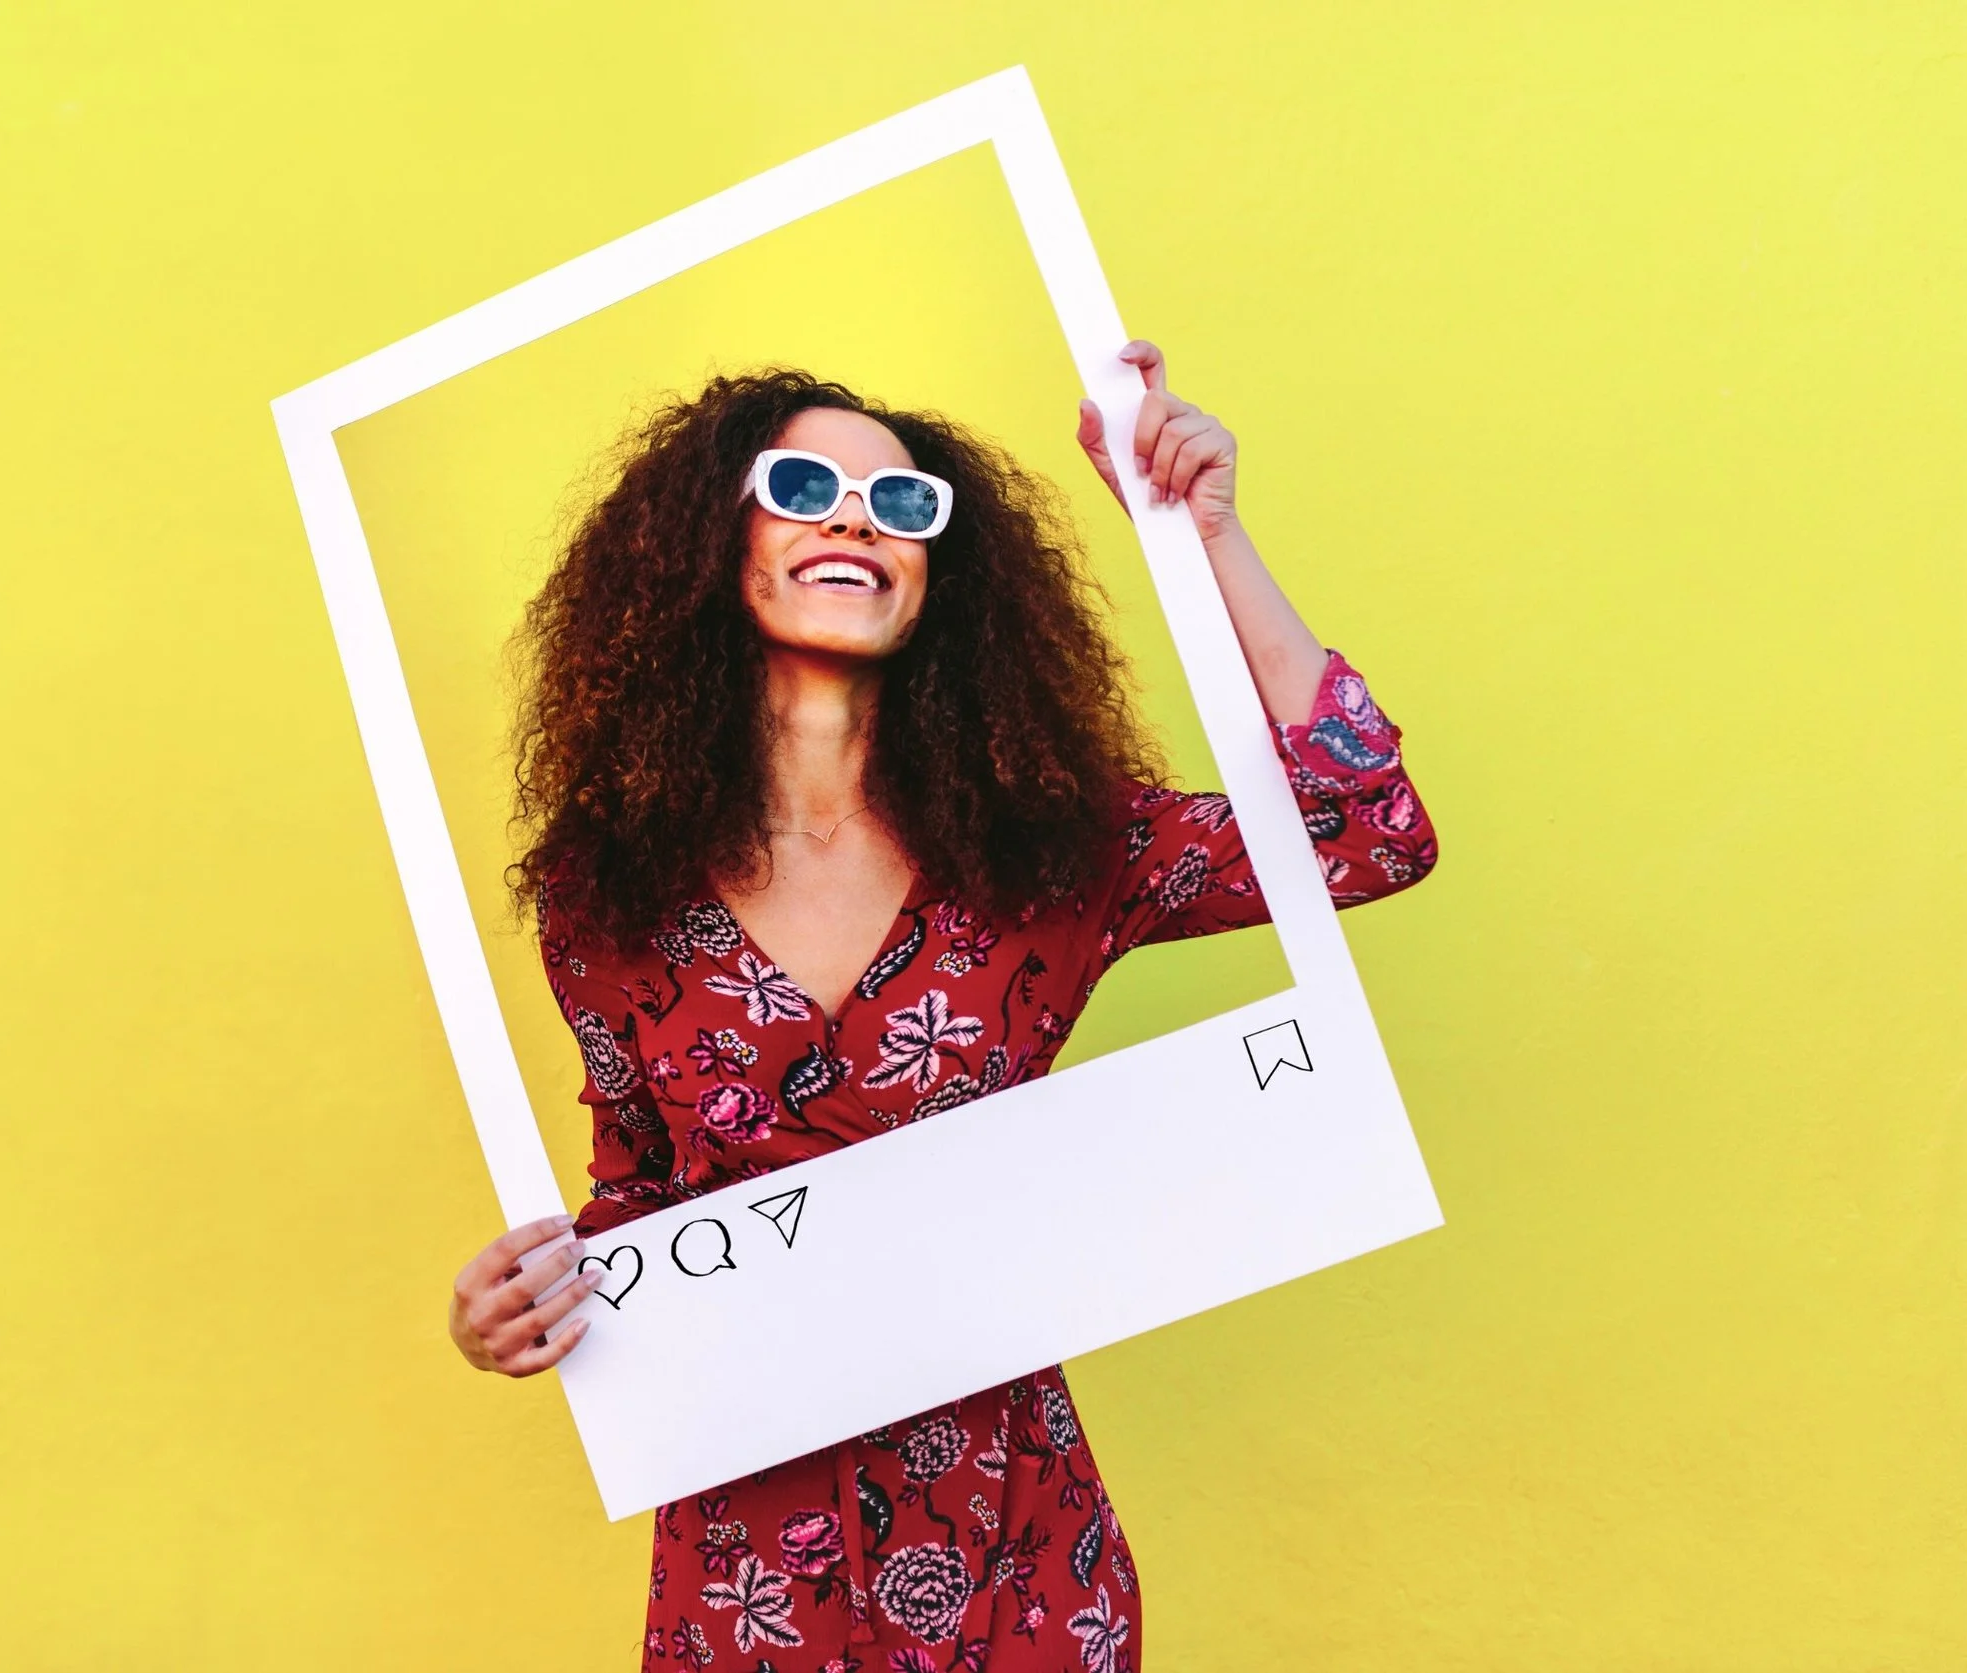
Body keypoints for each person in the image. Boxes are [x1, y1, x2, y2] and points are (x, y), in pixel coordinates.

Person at [447, 342, 1438, 1671]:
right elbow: (641, 1201)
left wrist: (1210, 541)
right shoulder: (603, 892)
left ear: (940, 580)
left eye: (906, 506)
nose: (857, 516)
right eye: (803, 485)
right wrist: (524, 1306)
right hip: (749, 1562)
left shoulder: (1043, 852)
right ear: (709, 538)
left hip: (1014, 1539)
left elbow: (1368, 831)